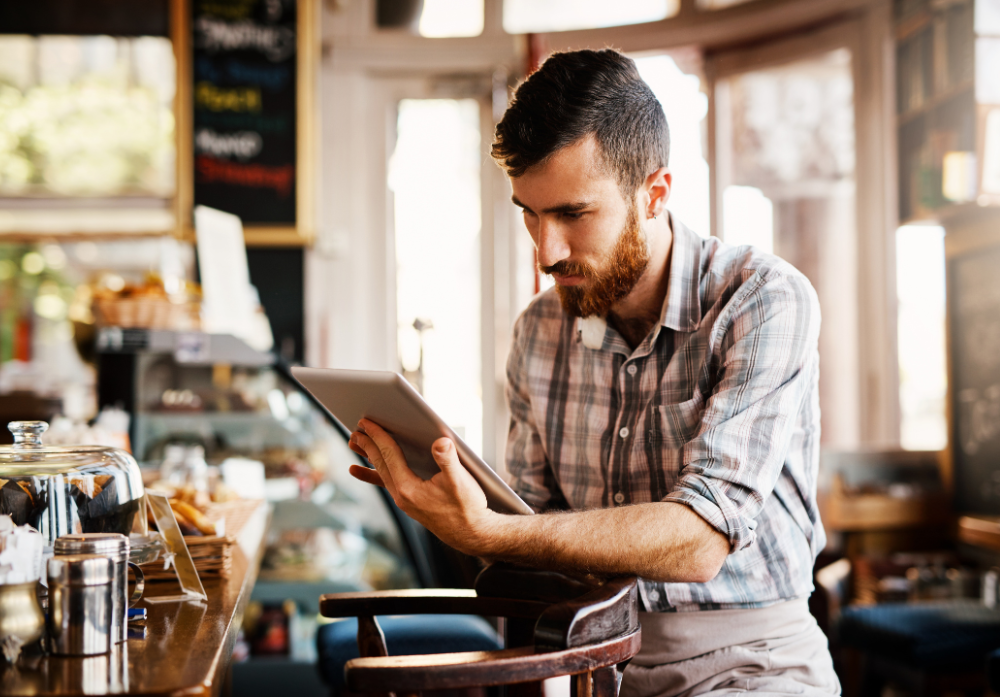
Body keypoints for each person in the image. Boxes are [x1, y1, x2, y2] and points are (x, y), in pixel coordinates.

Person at [348, 48, 840, 697]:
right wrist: (456, 514)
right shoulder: (538, 332)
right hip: (590, 664)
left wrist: (495, 529)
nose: (546, 250)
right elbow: (530, 540)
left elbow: (700, 540)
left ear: (654, 193)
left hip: (754, 663)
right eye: (529, 211)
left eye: (572, 214)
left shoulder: (762, 300)